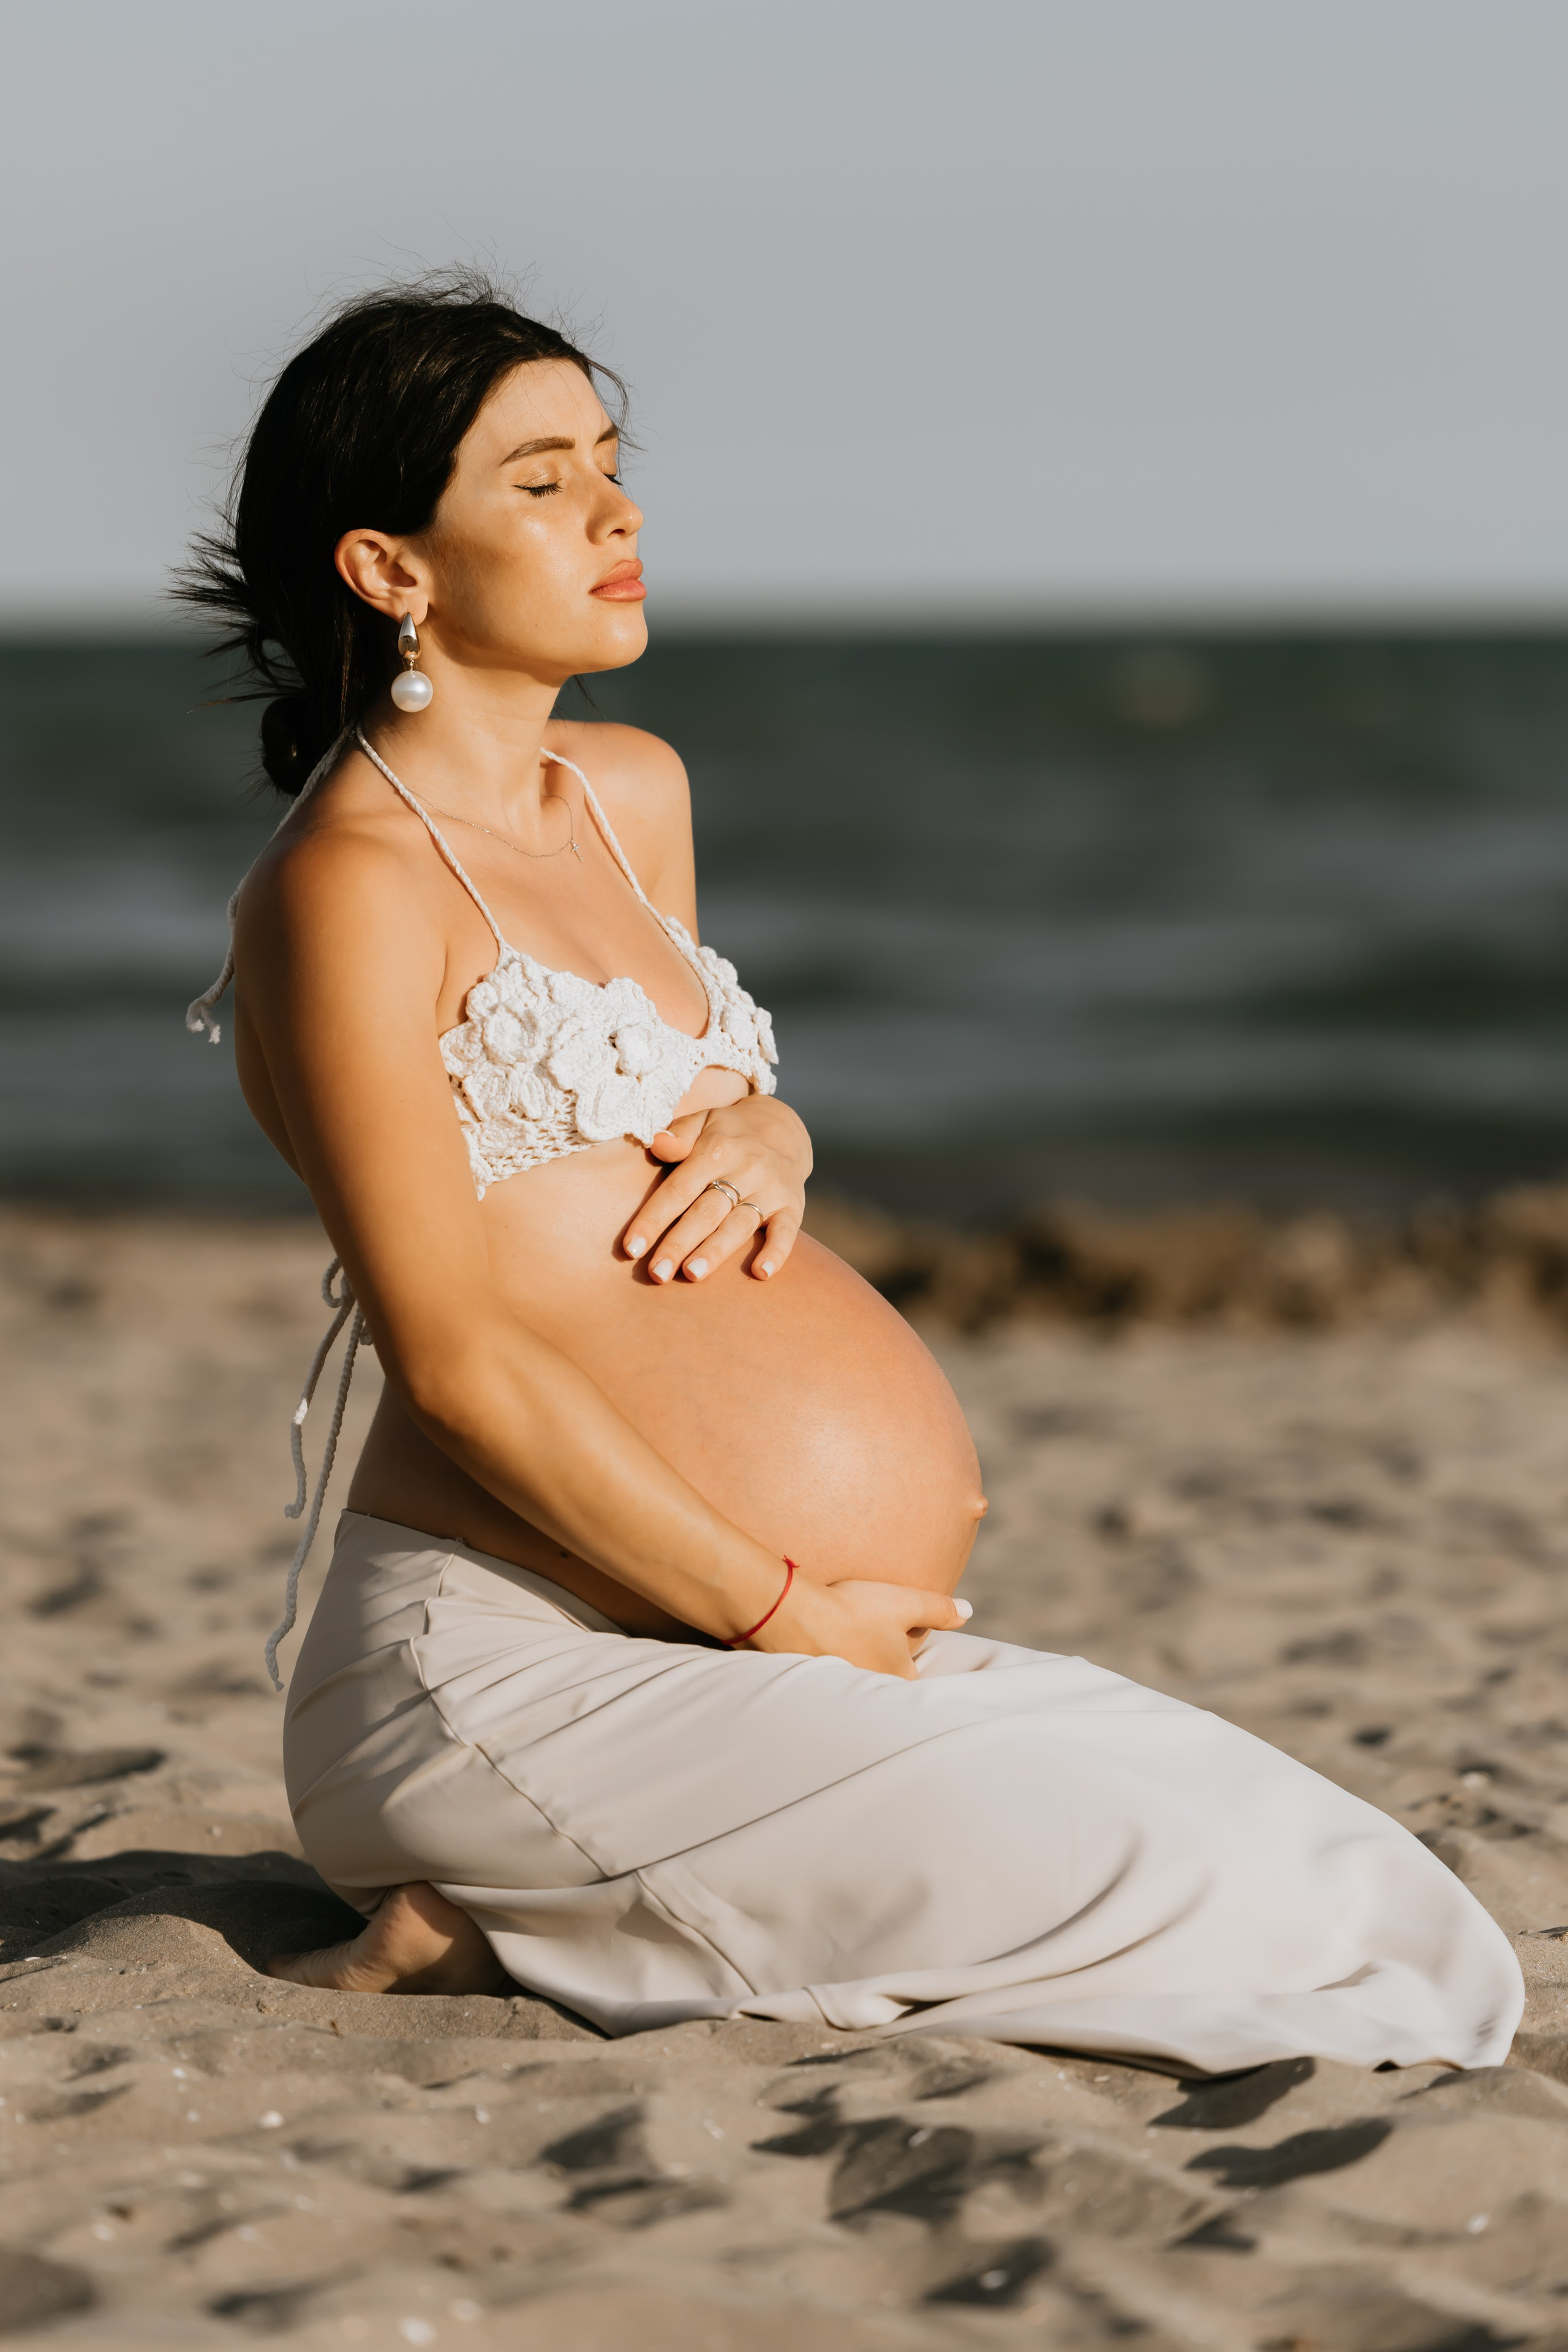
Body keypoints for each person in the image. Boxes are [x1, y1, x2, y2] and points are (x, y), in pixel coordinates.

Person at [183, 273, 1521, 2072]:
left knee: (1343, 1877)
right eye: (541, 480)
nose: (616, 510)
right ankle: (514, 1898)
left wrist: (777, 1124)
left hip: (726, 1645)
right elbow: (463, 1358)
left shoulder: (630, 793)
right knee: (1209, 1904)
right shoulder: (344, 885)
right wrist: (782, 1607)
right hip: (520, 1664)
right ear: (388, 569)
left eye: (611, 460)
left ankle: (551, 1922)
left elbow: (694, 1108)